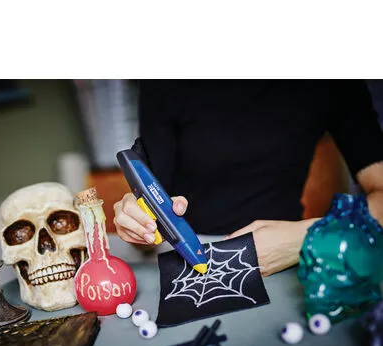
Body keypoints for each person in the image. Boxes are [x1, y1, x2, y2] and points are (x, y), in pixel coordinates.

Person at [113, 80, 383, 276]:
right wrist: (140, 227)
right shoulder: (166, 81)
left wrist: (308, 237)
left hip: (289, 252)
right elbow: (155, 208)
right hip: (187, 256)